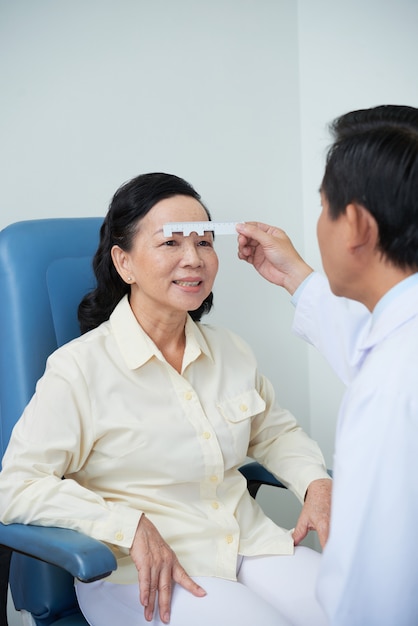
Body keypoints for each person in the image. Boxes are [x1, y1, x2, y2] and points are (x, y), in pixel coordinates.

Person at [0, 172, 331, 626]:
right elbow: (17, 487)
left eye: (204, 242)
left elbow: (275, 433)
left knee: (356, 605)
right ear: (124, 263)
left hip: (245, 543)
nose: (193, 260)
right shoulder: (78, 370)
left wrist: (316, 483)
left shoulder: (230, 351)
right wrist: (126, 526)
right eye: (171, 244)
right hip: (140, 573)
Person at [236, 104, 418, 625]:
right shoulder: (395, 349)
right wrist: (300, 279)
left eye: (323, 208)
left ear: (355, 223)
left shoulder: (391, 387)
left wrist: (315, 480)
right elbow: (367, 342)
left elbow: (379, 593)